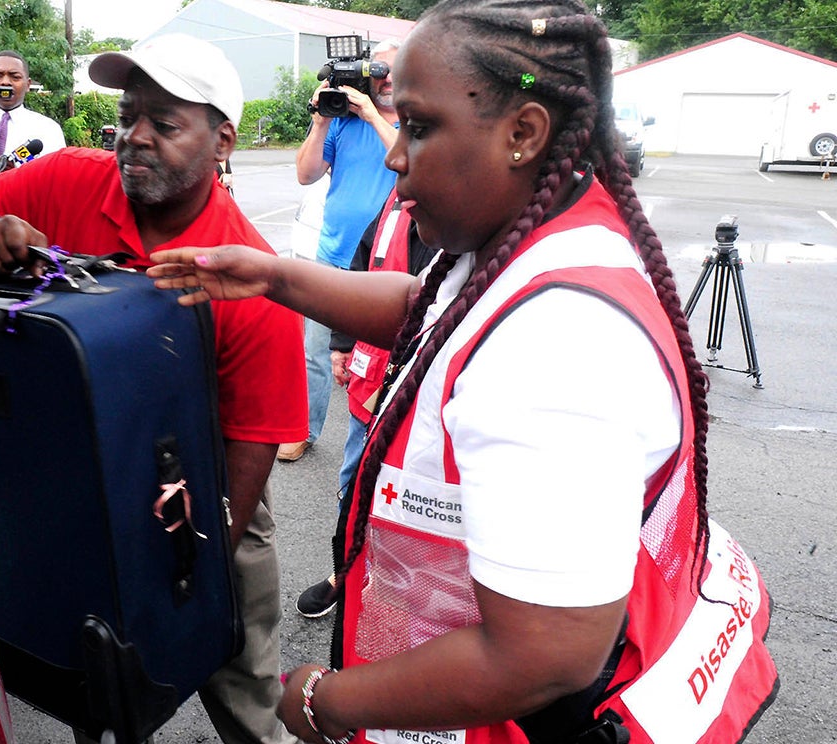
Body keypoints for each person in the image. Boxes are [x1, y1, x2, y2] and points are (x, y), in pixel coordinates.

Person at [147, 2, 778, 742]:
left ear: (523, 133)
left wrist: (327, 701)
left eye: (418, 125)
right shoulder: (544, 232)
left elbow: (544, 655)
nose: (393, 154)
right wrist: (276, 278)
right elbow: (432, 309)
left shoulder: (553, 347)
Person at [0, 33, 308, 744]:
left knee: (242, 683)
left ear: (222, 140)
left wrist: (186, 577)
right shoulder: (72, 177)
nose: (135, 137)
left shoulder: (249, 276)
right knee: (94, 680)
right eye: (129, 115)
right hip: (73, 473)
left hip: (204, 493)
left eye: (165, 124)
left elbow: (251, 448)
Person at [295, 189, 437, 619]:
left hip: (419, 389)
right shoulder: (397, 195)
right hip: (370, 380)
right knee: (353, 483)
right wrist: (340, 342)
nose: (397, 154)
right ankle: (347, 572)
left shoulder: (463, 205)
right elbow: (363, 260)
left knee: (406, 498)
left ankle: (392, 587)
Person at [280, 39, 401, 463]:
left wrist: (370, 112)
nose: (383, 79)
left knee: (386, 355)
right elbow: (305, 174)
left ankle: (384, 442)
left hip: (387, 263)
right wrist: (318, 122)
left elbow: (410, 161)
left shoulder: (417, 125)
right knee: (313, 351)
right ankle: (305, 430)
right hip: (332, 256)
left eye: (391, 70)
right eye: (377, 70)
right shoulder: (342, 123)